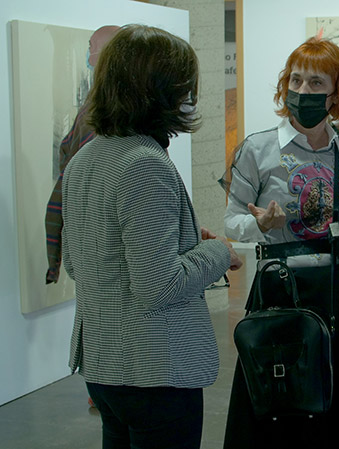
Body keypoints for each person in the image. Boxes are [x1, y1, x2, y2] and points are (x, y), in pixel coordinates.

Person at [61, 24, 242, 448]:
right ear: (160, 91)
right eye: (184, 86)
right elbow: (159, 285)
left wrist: (180, 241)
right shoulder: (144, 163)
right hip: (153, 370)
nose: (189, 98)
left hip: (106, 369)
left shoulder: (85, 158)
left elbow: (78, 262)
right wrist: (217, 251)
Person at [222, 37, 339, 448]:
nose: (302, 91)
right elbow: (232, 221)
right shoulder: (257, 149)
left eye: (316, 83)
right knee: (279, 400)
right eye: (296, 80)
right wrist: (260, 225)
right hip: (279, 293)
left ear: (336, 94)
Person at [45, 25, 120, 284]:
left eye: (92, 47)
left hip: (100, 248)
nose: (88, 54)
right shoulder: (97, 107)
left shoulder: (104, 112)